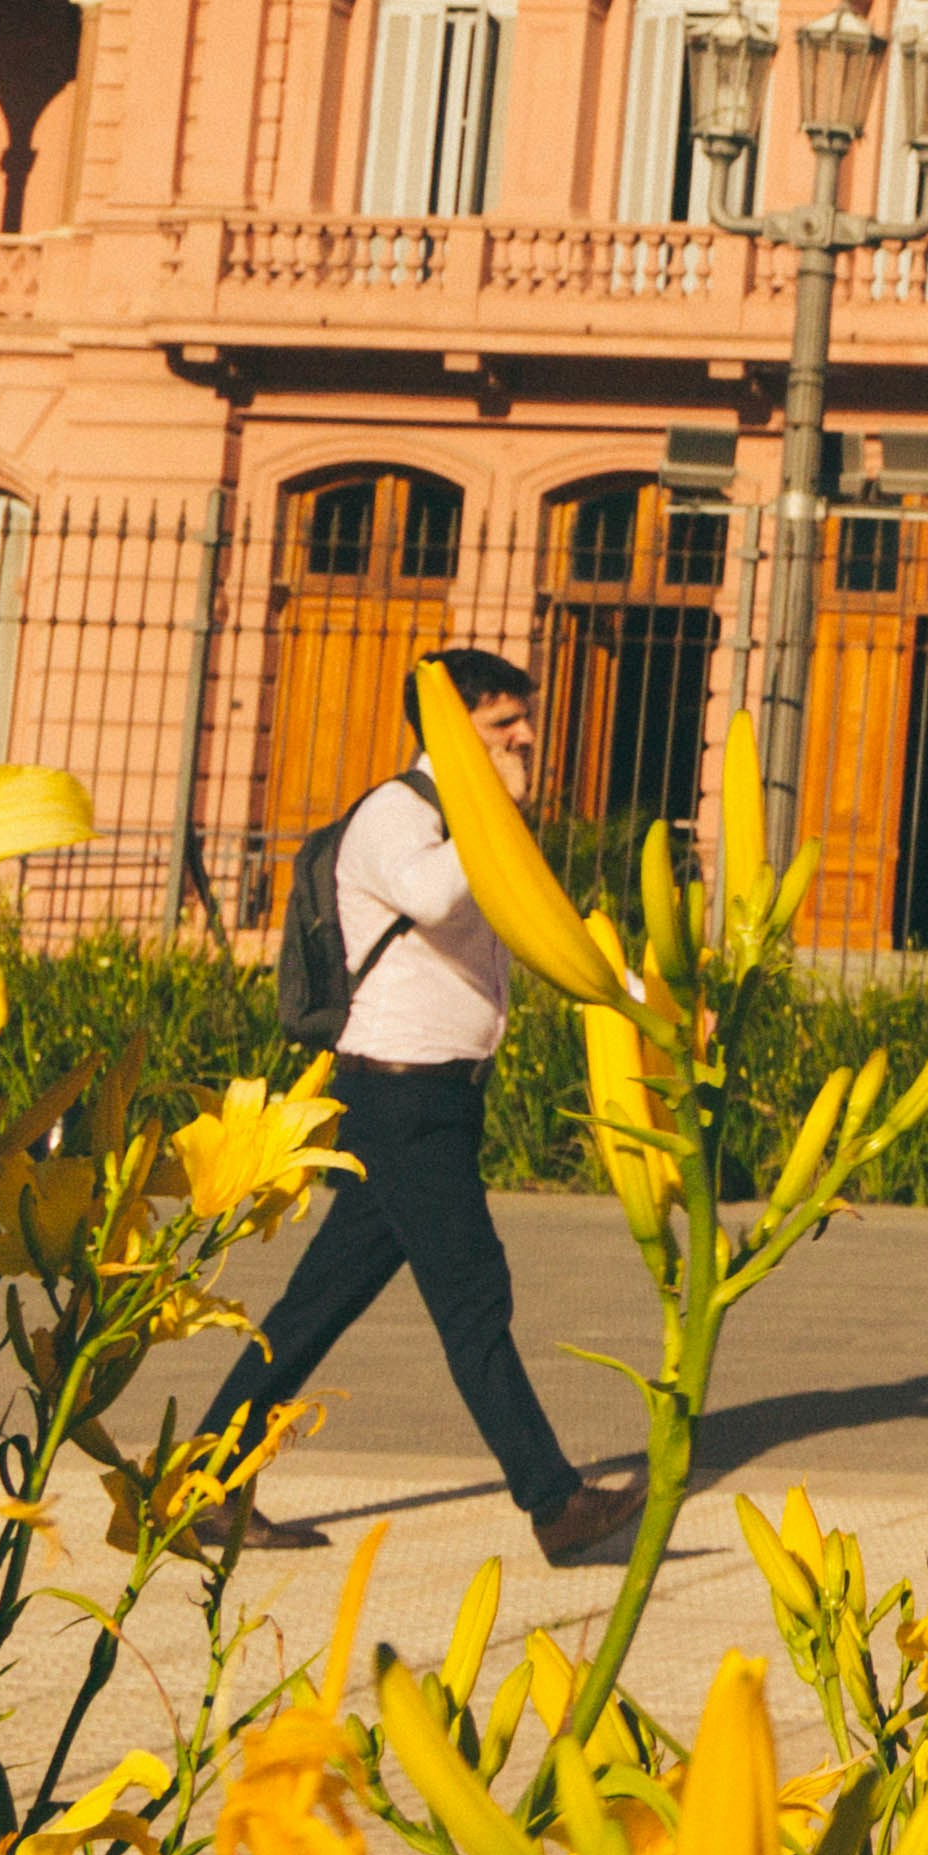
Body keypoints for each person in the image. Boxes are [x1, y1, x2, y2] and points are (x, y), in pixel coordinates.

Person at [188, 656, 645, 1564]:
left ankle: (201, 1485)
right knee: (473, 1297)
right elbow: (432, 896)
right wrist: (488, 810)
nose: (525, 738)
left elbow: (547, 924)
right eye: (502, 725)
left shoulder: (473, 824)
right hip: (400, 1092)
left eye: (524, 719)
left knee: (317, 1305)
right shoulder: (396, 816)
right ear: (448, 731)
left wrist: (642, 1005)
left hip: (436, 1095)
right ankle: (554, 1503)